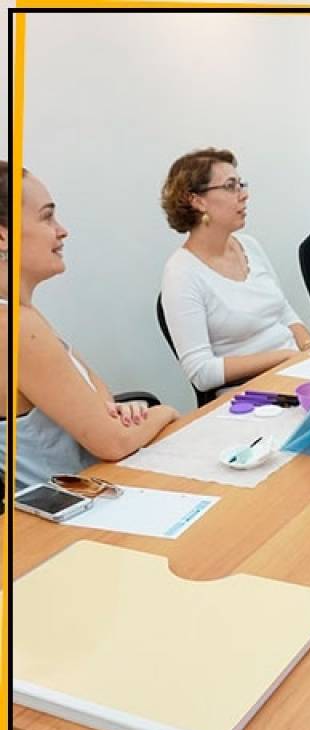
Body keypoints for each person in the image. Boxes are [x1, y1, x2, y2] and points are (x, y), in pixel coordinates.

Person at [0, 162, 179, 490]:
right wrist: (164, 411)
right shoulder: (15, 328)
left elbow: (105, 407)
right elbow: (112, 442)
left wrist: (125, 419)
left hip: (90, 489)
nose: (61, 229)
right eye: (46, 216)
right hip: (68, 509)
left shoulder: (23, 315)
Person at [160, 148, 310, 395]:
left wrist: (308, 347)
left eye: (241, 184)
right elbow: (200, 372)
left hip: (295, 370)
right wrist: (283, 357)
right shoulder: (181, 273)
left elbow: (284, 311)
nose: (244, 195)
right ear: (197, 200)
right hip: (249, 394)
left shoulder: (249, 246)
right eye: (231, 186)